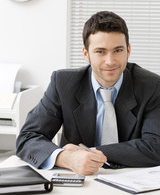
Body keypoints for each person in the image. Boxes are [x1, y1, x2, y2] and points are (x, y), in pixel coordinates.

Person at [16, 11, 160, 175]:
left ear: (128, 50)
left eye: (118, 50)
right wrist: (66, 158)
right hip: (79, 181)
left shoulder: (152, 85)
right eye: (100, 51)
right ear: (86, 54)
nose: (110, 61)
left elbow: (156, 145)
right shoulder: (63, 83)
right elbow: (28, 137)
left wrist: (90, 153)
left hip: (130, 178)